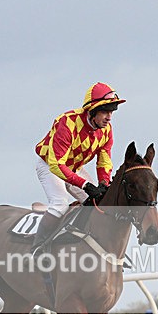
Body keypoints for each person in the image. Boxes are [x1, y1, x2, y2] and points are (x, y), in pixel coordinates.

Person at [31, 82, 126, 255]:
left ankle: (102, 248)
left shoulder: (106, 130)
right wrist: (85, 185)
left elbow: (104, 160)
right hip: (50, 165)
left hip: (74, 167)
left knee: (99, 202)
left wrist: (104, 183)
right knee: (60, 205)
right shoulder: (67, 123)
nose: (109, 117)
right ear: (92, 110)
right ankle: (37, 247)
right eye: (105, 111)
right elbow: (57, 164)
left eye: (111, 112)